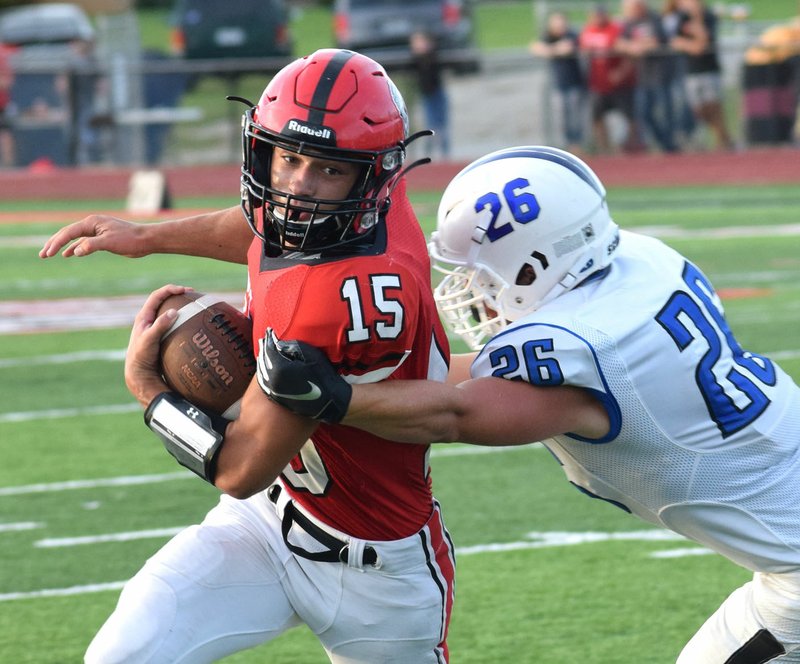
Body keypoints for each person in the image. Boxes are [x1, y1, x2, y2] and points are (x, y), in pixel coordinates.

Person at [258, 145, 800, 663]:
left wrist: (337, 397)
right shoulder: (639, 264)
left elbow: (454, 412)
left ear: (540, 260)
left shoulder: (585, 347)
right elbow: (454, 382)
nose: (471, 286)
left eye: (483, 270)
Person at [40, 48, 455, 663]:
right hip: (264, 524)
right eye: (288, 158)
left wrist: (149, 392)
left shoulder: (339, 297)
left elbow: (239, 468)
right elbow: (264, 224)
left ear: (373, 176)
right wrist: (147, 237)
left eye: (328, 171)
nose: (298, 188)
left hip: (377, 572)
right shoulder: (358, 212)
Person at [579, 4, 644, 153]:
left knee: (630, 117)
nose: (598, 18)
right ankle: (605, 149)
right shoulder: (588, 31)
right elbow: (583, 50)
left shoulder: (616, 30)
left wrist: (621, 72)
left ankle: (632, 147)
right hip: (598, 84)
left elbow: (631, 53)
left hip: (620, 85)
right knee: (597, 117)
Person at [670, 0, 734, 150]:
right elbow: (676, 42)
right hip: (691, 71)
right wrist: (693, 45)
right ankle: (725, 137)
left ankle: (722, 142)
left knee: (714, 106)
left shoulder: (709, 16)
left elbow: (704, 41)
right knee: (698, 109)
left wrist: (696, 20)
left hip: (709, 69)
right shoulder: (681, 18)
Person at [616, 0, 679, 152]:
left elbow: (659, 41)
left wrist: (640, 46)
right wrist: (631, 46)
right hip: (643, 77)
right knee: (644, 114)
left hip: (660, 75)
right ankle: (662, 141)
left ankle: (669, 145)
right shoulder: (631, 23)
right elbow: (619, 42)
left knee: (665, 112)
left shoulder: (654, 19)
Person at [530, 11, 587, 153]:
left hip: (575, 82)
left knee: (575, 115)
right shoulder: (549, 37)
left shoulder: (572, 35)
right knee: (562, 116)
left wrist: (552, 50)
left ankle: (576, 144)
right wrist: (555, 49)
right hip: (559, 84)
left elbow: (568, 48)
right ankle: (567, 144)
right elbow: (536, 48)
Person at [409, 30, 451, 159]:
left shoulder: (434, 57)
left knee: (442, 124)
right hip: (427, 95)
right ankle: (429, 153)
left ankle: (445, 154)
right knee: (430, 124)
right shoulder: (415, 60)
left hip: (438, 94)